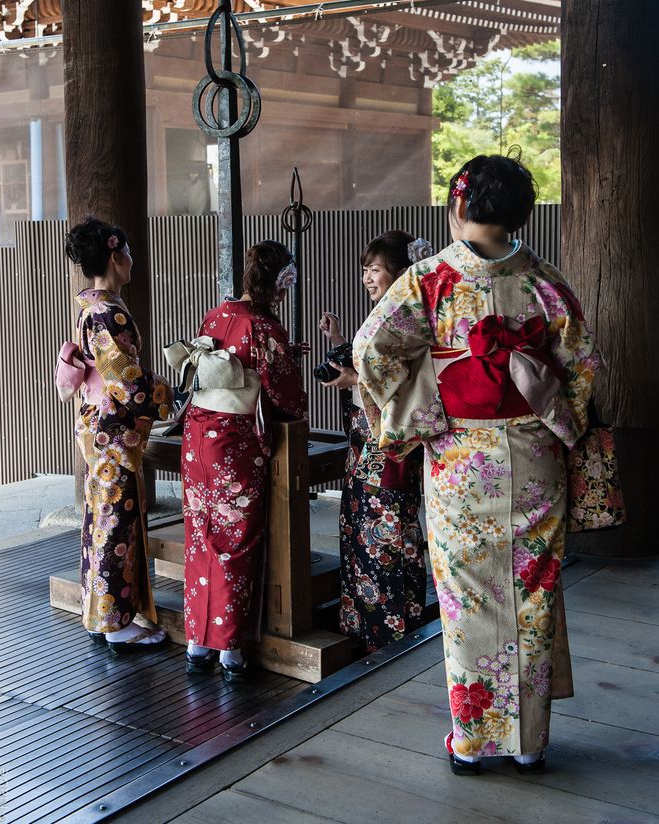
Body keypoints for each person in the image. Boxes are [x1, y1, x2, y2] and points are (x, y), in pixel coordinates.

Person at [353, 155, 598, 774]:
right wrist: (555, 416)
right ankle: (530, 743)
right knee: (531, 589)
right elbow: (583, 367)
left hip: (461, 459)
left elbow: (371, 351)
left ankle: (472, 740)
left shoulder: (429, 279)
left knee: (466, 599)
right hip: (534, 455)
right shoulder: (545, 282)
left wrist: (417, 407)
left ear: (458, 206)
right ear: (522, 214)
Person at [180, 240, 307, 681]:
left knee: (201, 535)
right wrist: (295, 388)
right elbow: (284, 395)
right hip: (233, 444)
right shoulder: (266, 327)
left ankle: (198, 643)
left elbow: (229, 360)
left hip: (197, 437)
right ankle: (230, 649)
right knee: (236, 541)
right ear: (280, 283)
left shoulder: (218, 315)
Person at [319, 230, 433, 653]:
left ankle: (392, 632)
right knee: (361, 538)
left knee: (389, 540)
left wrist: (355, 379)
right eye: (365, 269)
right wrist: (339, 345)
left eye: (376, 269)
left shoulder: (409, 320)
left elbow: (406, 389)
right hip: (363, 454)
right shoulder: (391, 315)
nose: (368, 277)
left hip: (389, 453)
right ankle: (366, 631)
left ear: (400, 271)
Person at [65, 216, 173, 653]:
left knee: (99, 518)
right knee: (115, 522)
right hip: (114, 431)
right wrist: (170, 395)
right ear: (115, 255)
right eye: (127, 253)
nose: (132, 261)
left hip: (98, 426)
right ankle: (115, 623)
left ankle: (99, 613)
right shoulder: (107, 313)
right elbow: (127, 383)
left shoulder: (92, 308)